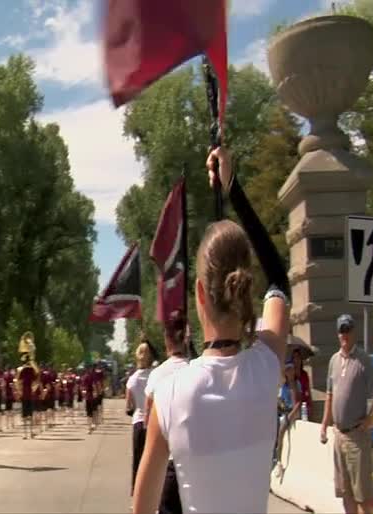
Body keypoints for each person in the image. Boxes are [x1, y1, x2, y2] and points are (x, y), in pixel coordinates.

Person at [133, 147, 290, 514]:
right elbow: (279, 279)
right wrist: (232, 186)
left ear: (199, 293)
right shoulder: (267, 367)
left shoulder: (169, 394)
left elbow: (141, 508)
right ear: (245, 287)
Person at [320, 314, 373, 514]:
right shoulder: (334, 361)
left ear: (353, 333)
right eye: (341, 330)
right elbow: (329, 394)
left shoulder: (363, 360)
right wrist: (324, 425)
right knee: (345, 492)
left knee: (362, 494)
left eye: (347, 330)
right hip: (339, 435)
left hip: (356, 435)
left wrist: (370, 419)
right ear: (338, 334)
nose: (344, 334)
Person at [143, 318, 189, 514]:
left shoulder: (157, 374)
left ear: (166, 340)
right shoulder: (195, 368)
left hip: (169, 463)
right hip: (192, 462)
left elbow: (148, 421)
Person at [126, 341, 153, 496]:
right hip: (153, 423)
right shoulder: (156, 375)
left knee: (138, 459)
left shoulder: (132, 379)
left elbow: (129, 405)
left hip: (138, 421)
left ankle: (136, 492)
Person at [17, 357, 38, 439]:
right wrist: (33, 389)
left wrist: (20, 392)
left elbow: (19, 382)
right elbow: (36, 381)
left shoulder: (21, 370)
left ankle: (25, 434)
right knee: (30, 415)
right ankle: (31, 432)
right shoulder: (32, 370)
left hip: (24, 394)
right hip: (30, 394)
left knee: (24, 415)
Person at [292, 348, 312, 419]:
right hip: (294, 408)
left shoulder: (304, 374)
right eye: (294, 358)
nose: (296, 360)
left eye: (298, 357)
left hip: (304, 407)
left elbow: (308, 391)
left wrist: (310, 405)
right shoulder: (290, 375)